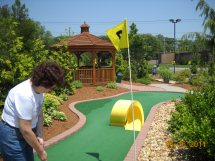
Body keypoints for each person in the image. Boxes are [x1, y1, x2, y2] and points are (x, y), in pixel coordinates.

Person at [0, 61, 64, 161]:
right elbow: (25, 129)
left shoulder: (38, 90)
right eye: (51, 87)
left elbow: (39, 113)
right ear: (44, 84)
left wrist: (40, 135)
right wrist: (41, 152)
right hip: (12, 135)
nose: (51, 90)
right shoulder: (24, 94)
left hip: (27, 132)